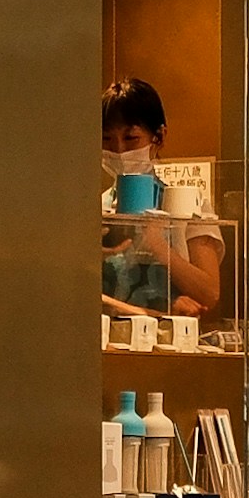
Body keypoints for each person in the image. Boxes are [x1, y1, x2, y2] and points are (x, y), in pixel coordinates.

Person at [97, 78, 223, 319]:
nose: (119, 150)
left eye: (131, 138)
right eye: (107, 139)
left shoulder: (188, 203)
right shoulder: (96, 208)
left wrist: (156, 243)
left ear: (160, 137)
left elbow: (209, 294)